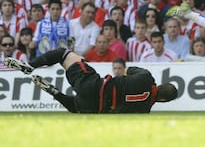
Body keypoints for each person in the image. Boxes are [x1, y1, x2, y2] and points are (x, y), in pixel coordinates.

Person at [4, 48, 178, 113]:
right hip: (98, 107)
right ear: (162, 99)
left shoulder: (146, 77)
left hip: (96, 86)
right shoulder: (144, 110)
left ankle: (30, 65)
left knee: (63, 54)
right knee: (76, 107)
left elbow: (126, 70)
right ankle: (54, 92)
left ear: (160, 85)